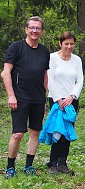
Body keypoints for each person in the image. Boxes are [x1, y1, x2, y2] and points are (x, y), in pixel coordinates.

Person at [2, 16, 50, 179]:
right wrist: (11, 95)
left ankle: (28, 166)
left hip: (37, 98)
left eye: (38, 28)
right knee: (18, 134)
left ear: (42, 31)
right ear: (26, 30)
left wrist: (43, 99)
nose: (35, 31)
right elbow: (6, 72)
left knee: (35, 132)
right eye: (32, 28)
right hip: (20, 98)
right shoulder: (16, 47)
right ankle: (10, 167)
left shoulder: (44, 51)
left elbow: (44, 76)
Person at [44, 31, 84, 175]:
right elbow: (50, 80)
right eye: (66, 43)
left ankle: (62, 162)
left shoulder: (77, 60)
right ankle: (53, 162)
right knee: (57, 130)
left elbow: (79, 80)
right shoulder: (52, 58)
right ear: (60, 44)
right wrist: (59, 99)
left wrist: (72, 96)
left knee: (67, 131)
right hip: (56, 100)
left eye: (71, 44)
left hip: (71, 101)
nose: (69, 46)